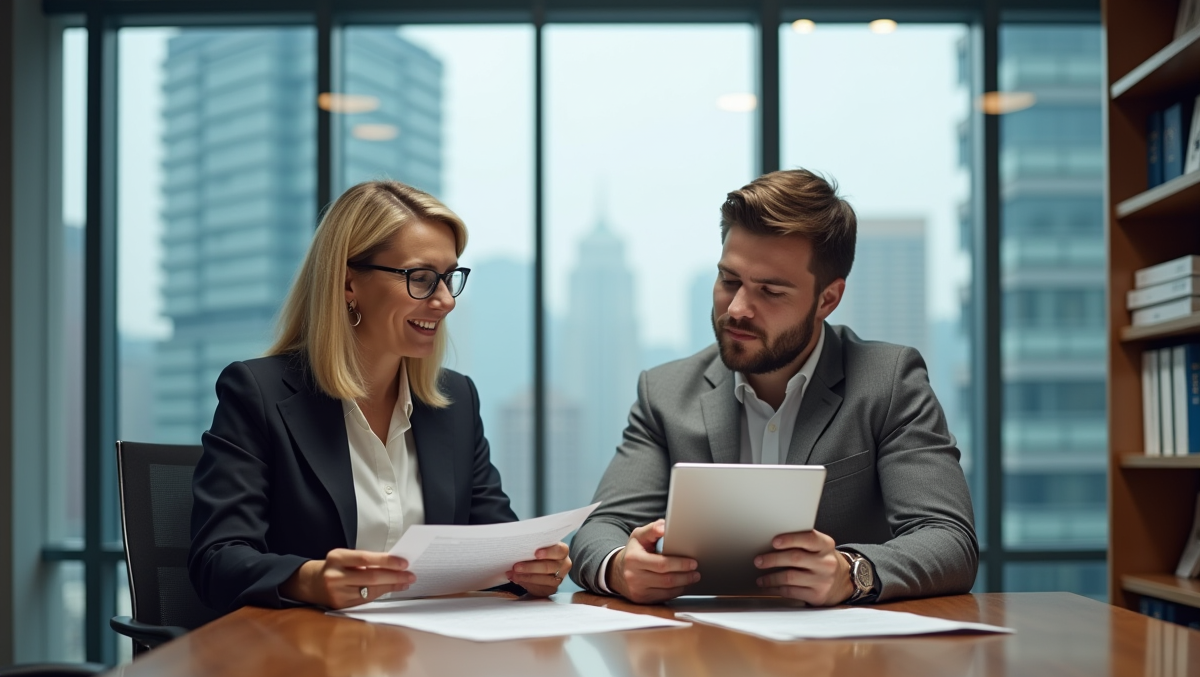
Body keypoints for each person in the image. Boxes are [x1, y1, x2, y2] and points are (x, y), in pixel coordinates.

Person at [568, 169, 976, 605]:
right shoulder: (665, 392)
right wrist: (619, 566)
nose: (738, 309)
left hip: (849, 661)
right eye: (729, 281)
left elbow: (949, 539)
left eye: (770, 291)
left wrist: (851, 571)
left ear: (827, 299)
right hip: (699, 656)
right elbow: (599, 529)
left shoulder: (889, 382)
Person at [190, 180, 570, 614]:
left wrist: (534, 570)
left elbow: (497, 545)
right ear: (349, 283)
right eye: (422, 279)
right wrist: (309, 579)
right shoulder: (257, 393)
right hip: (306, 659)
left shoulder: (456, 401)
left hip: (429, 662)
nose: (445, 301)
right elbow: (216, 560)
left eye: (449, 278)